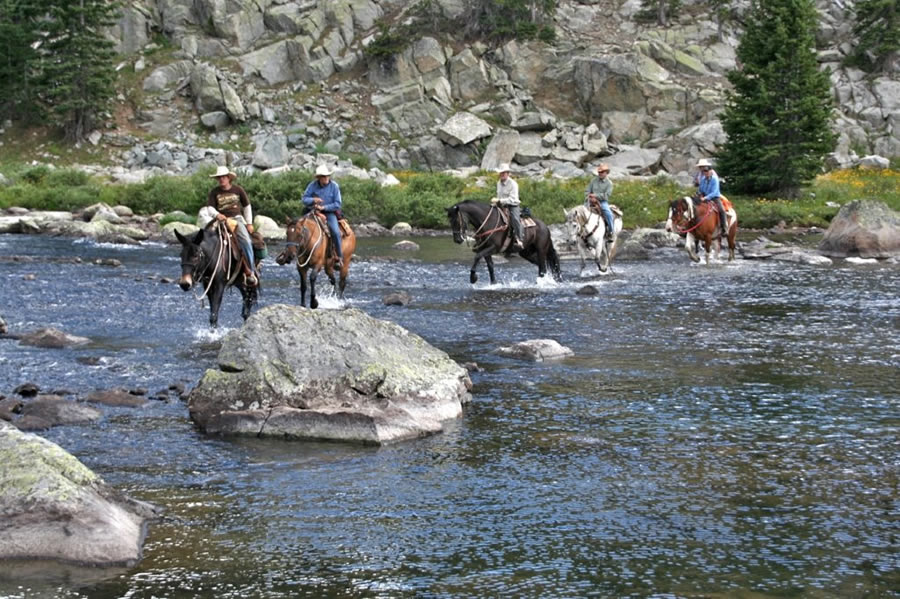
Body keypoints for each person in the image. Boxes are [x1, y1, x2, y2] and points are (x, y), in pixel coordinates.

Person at [207, 165, 257, 286]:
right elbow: (210, 208)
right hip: (221, 220)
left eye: (223, 177)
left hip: (236, 219)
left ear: (229, 178)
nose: (221, 180)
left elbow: (247, 206)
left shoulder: (238, 190)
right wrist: (217, 214)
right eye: (219, 178)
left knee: (246, 241)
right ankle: (205, 269)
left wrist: (249, 223)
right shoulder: (214, 192)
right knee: (206, 238)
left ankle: (251, 271)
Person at [302, 164, 344, 267]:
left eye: (327, 176)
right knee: (299, 228)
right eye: (323, 176)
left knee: (335, 231)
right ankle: (294, 252)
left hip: (329, 213)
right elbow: (304, 199)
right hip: (313, 211)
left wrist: (324, 208)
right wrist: (313, 200)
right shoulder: (312, 185)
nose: (325, 178)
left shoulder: (334, 186)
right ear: (319, 178)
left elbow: (337, 203)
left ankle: (339, 257)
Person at [493, 163, 524, 250]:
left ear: (507, 173)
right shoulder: (498, 183)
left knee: (515, 219)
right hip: (502, 205)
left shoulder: (513, 184)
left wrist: (500, 201)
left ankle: (519, 239)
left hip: (512, 205)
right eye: (500, 173)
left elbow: (512, 199)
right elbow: (499, 195)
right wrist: (496, 202)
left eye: (503, 173)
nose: (501, 175)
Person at [694, 158, 728, 237]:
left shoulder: (714, 179)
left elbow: (715, 192)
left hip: (714, 197)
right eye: (704, 171)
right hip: (704, 196)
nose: (705, 172)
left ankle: (724, 228)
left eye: (706, 171)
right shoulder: (703, 179)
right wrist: (698, 194)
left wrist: (705, 198)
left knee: (722, 210)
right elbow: (700, 188)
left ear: (710, 171)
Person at [584, 162, 614, 241]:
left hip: (602, 202)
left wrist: (595, 196)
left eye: (601, 172)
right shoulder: (593, 180)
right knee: (581, 212)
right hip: (590, 200)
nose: (600, 173)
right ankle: (579, 232)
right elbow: (587, 190)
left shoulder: (609, 184)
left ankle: (611, 232)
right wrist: (589, 197)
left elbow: (606, 196)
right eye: (599, 172)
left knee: (609, 214)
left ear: (606, 172)